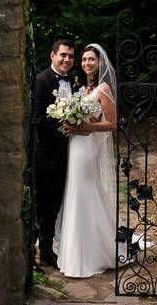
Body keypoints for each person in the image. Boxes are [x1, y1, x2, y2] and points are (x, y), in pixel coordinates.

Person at [52, 43, 124, 278]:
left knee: (85, 189)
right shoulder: (82, 88)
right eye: (83, 60)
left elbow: (112, 124)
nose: (86, 63)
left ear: (100, 62)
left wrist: (87, 126)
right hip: (75, 144)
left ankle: (94, 253)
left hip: (88, 146)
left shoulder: (103, 89)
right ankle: (76, 251)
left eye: (91, 59)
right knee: (76, 191)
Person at [31, 39, 77, 268]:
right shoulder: (41, 80)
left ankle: (59, 247)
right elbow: (37, 118)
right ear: (52, 56)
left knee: (62, 203)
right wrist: (64, 123)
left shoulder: (75, 82)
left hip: (72, 155)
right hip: (47, 155)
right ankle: (45, 253)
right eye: (63, 55)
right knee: (45, 205)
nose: (67, 59)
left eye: (70, 56)